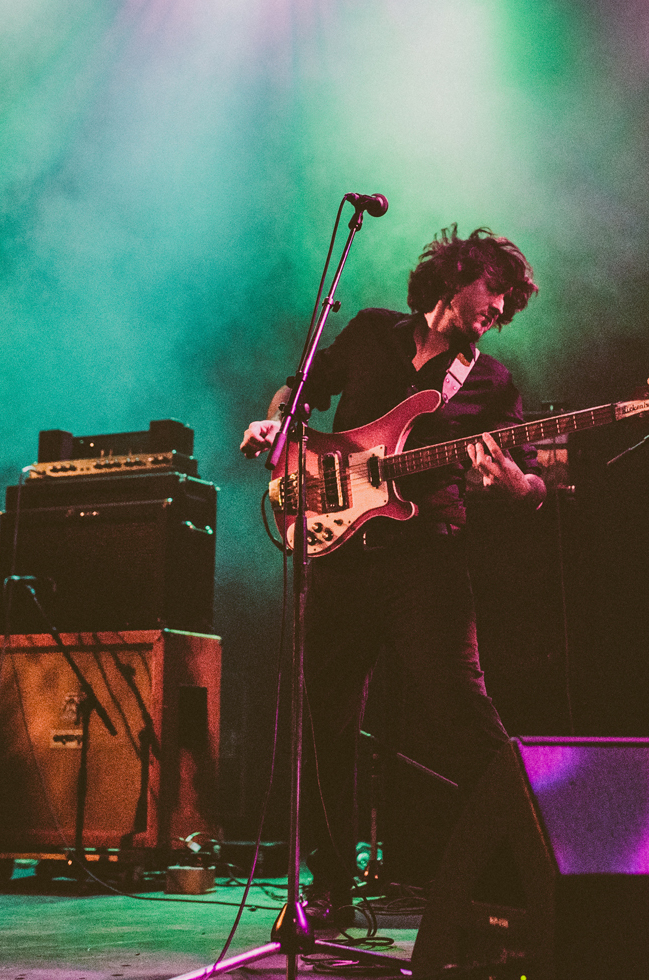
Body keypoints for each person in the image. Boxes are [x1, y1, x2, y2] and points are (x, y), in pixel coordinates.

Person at [240, 226, 545, 923]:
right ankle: (330, 889)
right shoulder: (373, 331)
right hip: (341, 557)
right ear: (457, 274)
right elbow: (299, 390)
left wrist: (510, 485)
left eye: (508, 302)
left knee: (463, 713)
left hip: (427, 562)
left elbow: (532, 482)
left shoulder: (493, 381)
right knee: (324, 722)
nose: (499, 308)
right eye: (494, 290)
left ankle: (535, 867)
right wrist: (277, 424)